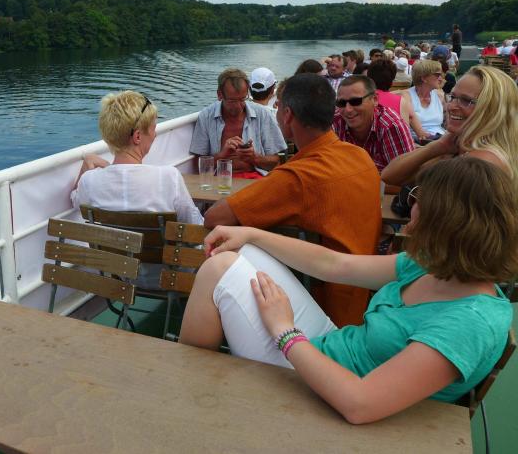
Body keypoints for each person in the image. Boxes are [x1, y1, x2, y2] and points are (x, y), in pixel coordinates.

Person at [180, 157, 516, 423]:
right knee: (239, 251)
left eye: (419, 197)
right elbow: (335, 265)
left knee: (217, 270)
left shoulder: (470, 322)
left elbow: (360, 404)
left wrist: (284, 331)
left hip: (323, 387)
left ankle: (186, 391)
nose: (411, 203)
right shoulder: (434, 266)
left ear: (446, 219)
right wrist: (251, 234)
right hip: (329, 349)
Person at [203, 74, 381, 327]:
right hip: (364, 303)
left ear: (287, 115)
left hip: (321, 315)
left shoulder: (298, 177)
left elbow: (213, 218)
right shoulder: (360, 157)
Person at [72, 91, 203, 287]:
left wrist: (89, 162)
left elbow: (75, 199)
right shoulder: (168, 177)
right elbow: (196, 231)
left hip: (122, 278)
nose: (155, 134)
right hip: (171, 278)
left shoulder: (89, 182)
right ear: (138, 136)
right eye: (153, 129)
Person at [382, 65, 518, 187]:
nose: (451, 106)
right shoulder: (457, 148)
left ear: (494, 110)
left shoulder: (480, 163)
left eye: (466, 100)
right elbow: (389, 176)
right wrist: (437, 146)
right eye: (452, 97)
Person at [190, 68, 286, 174]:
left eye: (242, 99)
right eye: (232, 101)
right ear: (219, 94)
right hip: (219, 179)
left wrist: (254, 158)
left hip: (255, 178)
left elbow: (276, 161)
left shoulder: (262, 114)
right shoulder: (206, 116)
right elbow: (197, 166)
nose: (238, 106)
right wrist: (222, 155)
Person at [332, 75, 414, 172]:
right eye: (341, 103)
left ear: (375, 100)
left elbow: (405, 174)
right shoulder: (333, 122)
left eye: (355, 101)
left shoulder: (391, 125)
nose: (348, 109)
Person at [397, 59, 446, 143]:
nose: (441, 79)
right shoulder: (406, 96)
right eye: (437, 75)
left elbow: (448, 121)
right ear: (424, 78)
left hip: (440, 138)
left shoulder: (439, 95)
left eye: (441, 75)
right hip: (420, 141)